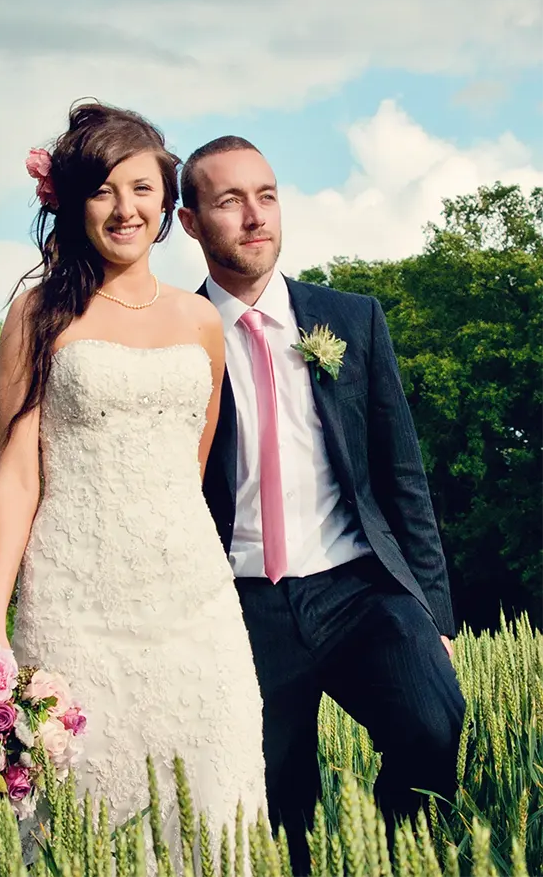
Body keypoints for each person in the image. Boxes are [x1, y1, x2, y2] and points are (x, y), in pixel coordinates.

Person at [0, 104, 266, 865]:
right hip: (74, 608)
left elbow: (192, 465)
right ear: (72, 203)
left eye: (141, 188)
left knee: (216, 803)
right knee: (84, 820)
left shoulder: (200, 323)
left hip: (192, 611)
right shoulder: (38, 317)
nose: (124, 207)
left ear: (168, 205)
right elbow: (15, 478)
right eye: (103, 190)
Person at [178, 136, 467, 877]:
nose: (254, 217)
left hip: (358, 587)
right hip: (240, 605)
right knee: (276, 812)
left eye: (266, 196)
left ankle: (396, 859)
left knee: (432, 724)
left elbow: (402, 477)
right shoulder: (176, 335)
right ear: (188, 222)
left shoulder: (351, 319)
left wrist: (433, 614)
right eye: (229, 201)